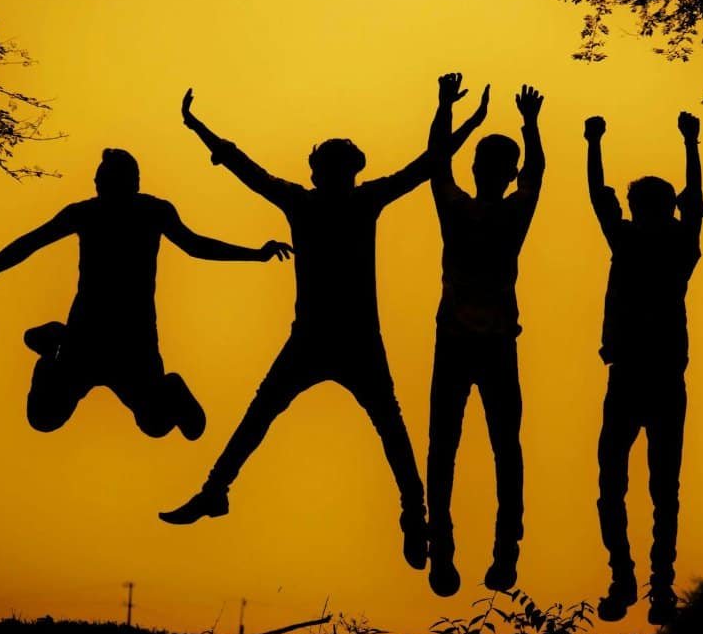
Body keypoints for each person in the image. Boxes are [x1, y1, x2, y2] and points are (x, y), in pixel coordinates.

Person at [159, 84, 487, 571]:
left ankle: (216, 491)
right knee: (382, 429)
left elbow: (246, 168)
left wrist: (199, 129)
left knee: (277, 416)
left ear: (324, 172)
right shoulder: (355, 200)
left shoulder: (310, 202)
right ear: (349, 171)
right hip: (333, 339)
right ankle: (413, 515)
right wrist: (459, 116)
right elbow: (427, 164)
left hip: (329, 339)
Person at [0, 148, 292, 441]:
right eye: (98, 181)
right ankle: (50, 349)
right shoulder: (86, 213)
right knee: (43, 419)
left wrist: (255, 254)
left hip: (133, 341)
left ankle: (156, 382)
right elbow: (30, 243)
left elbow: (195, 245)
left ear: (129, 183)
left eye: (104, 180)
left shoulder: (151, 212)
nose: (98, 186)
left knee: (157, 425)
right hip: (85, 338)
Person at [584, 112, 703, 625]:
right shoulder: (671, 243)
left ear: (643, 209)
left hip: (645, 378)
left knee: (636, 486)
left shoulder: (640, 242)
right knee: (648, 488)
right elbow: (691, 201)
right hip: (646, 378)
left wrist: (593, 143)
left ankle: (643, 581)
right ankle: (643, 581)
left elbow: (600, 196)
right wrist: (690, 143)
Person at [423, 74, 545, 596]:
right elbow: (536, 173)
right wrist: (531, 125)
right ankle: (502, 550)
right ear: (505, 172)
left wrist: (446, 109)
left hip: (462, 340)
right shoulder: (513, 212)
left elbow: (436, 162)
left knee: (446, 447)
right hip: (492, 342)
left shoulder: (459, 208)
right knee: (503, 447)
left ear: (477, 170)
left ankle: (448, 548)